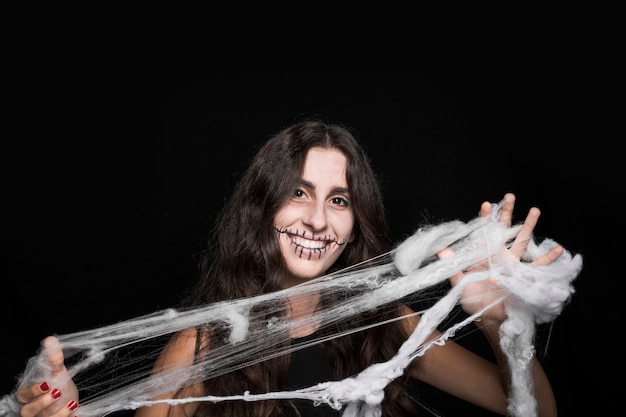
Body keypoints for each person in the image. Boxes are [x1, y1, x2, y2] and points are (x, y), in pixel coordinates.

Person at [14, 119, 564, 417]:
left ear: (355, 223)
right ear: (264, 207)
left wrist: (499, 323)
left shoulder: (386, 326)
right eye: (298, 194)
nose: (318, 220)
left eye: (339, 200)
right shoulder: (204, 346)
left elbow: (535, 411)